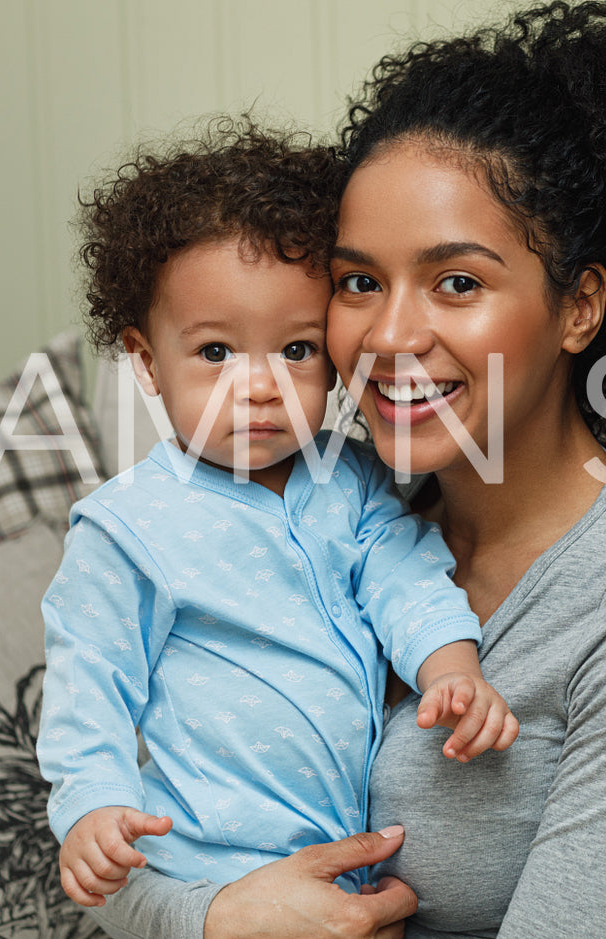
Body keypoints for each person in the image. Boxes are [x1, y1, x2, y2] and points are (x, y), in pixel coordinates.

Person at [85, 0, 606, 939]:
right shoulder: (303, 502)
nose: (389, 334)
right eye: (359, 281)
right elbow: (121, 848)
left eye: (457, 282)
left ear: (578, 307)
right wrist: (217, 916)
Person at [36, 121, 517, 912]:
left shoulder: (352, 477)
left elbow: (407, 578)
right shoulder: (128, 528)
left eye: (295, 350)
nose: (258, 386)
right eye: (217, 353)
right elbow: (91, 682)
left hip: (347, 854)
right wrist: (90, 805)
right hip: (207, 860)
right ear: (148, 361)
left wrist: (451, 668)